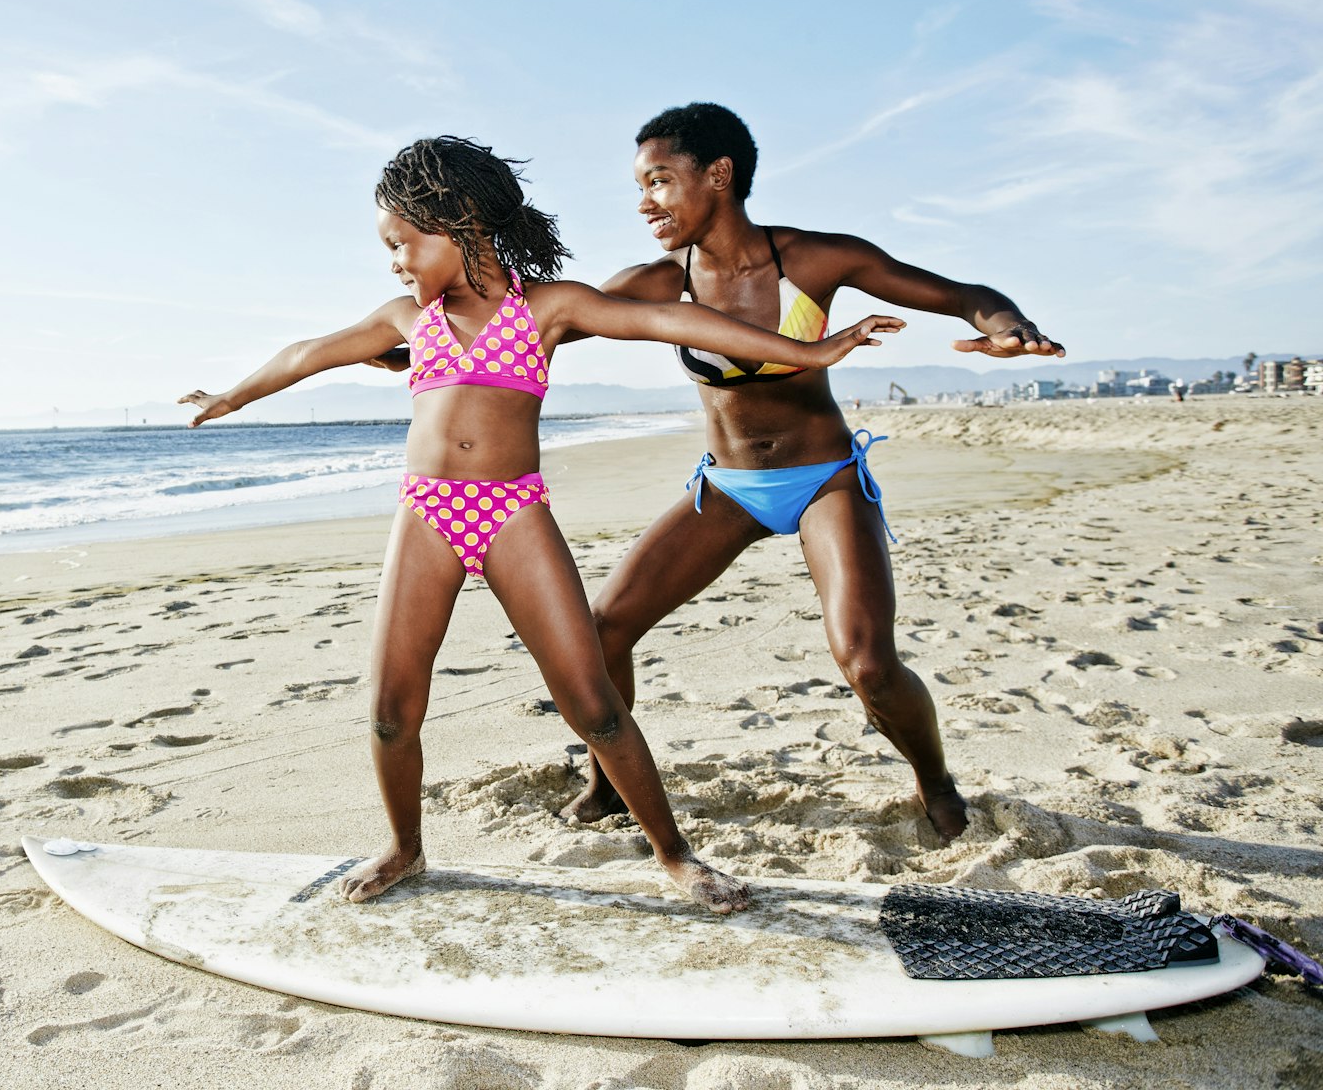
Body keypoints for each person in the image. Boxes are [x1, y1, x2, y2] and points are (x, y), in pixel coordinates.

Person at [180, 135, 905, 907]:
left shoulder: (548, 308)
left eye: (400, 243)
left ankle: (675, 855)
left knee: (592, 703)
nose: (393, 263)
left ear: (456, 221)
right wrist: (234, 397)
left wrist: (814, 351)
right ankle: (404, 847)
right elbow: (307, 354)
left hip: (513, 512)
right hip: (426, 512)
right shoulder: (406, 316)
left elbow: (674, 323)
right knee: (392, 714)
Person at [565, 103, 1064, 842]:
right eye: (641, 187)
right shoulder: (659, 280)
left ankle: (936, 779)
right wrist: (415, 349)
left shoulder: (815, 259)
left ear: (720, 175)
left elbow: (961, 296)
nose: (645, 204)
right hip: (729, 487)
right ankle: (607, 782)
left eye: (660, 181)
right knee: (603, 630)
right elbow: (543, 322)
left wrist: (1003, 325)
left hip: (824, 478)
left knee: (868, 663)